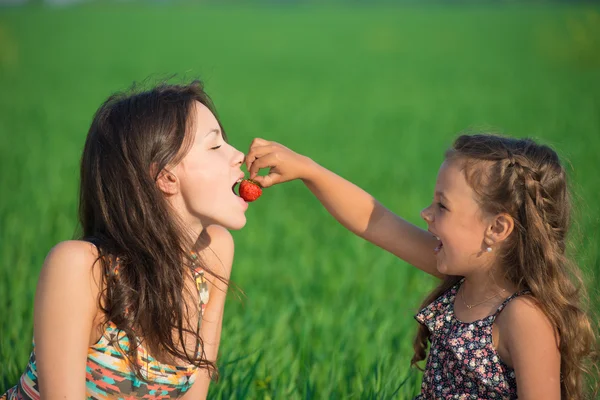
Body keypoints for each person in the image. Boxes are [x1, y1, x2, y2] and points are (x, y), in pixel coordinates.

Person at [244, 134, 599, 399]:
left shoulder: (524, 316)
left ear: (497, 228)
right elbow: (377, 221)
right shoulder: (464, 278)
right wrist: (309, 170)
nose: (426, 214)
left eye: (442, 207)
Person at [2, 80, 250, 399]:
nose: (238, 155)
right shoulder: (82, 267)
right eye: (215, 146)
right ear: (165, 177)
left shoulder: (214, 250)